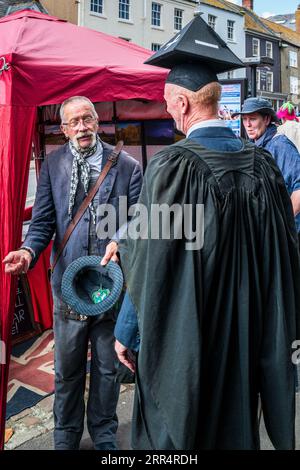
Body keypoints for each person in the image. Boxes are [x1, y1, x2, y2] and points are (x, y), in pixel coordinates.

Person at [113, 15, 300, 450]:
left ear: (180, 104)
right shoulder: (264, 165)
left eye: (166, 103)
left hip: (196, 336)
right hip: (252, 334)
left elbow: (152, 257)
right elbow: (284, 252)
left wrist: (128, 329)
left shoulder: (173, 167)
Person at [3, 96, 142, 450]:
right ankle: (65, 435)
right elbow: (43, 223)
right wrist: (27, 250)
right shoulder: (53, 166)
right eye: (74, 122)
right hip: (68, 286)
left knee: (108, 370)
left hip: (110, 288)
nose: (82, 127)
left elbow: (138, 220)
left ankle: (104, 432)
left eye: (87, 119)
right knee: (67, 370)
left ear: (97, 122)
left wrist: (121, 240)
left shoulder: (127, 166)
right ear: (64, 130)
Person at [233, 97, 300, 237]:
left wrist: (283, 225)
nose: (248, 124)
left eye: (252, 118)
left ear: (267, 120)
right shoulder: (260, 145)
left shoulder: (279, 145)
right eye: (245, 119)